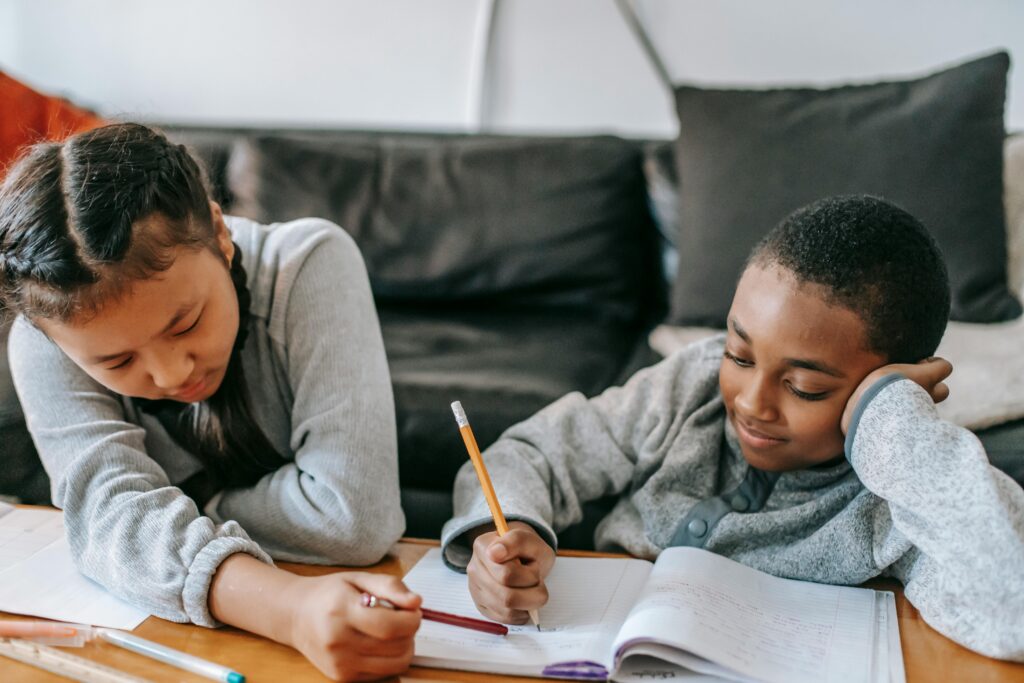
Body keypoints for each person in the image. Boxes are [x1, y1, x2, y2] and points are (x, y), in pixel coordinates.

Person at [441, 195, 1024, 661]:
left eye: (806, 388)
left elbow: (1011, 606)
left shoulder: (897, 493)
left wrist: (890, 417)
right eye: (740, 355)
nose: (751, 403)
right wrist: (502, 536)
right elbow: (529, 454)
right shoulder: (688, 388)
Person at [0, 123, 419, 681]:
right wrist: (288, 609)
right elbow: (106, 516)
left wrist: (176, 504)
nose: (173, 374)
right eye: (118, 363)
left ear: (220, 236)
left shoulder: (312, 263)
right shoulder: (44, 331)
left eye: (187, 323)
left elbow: (352, 518)